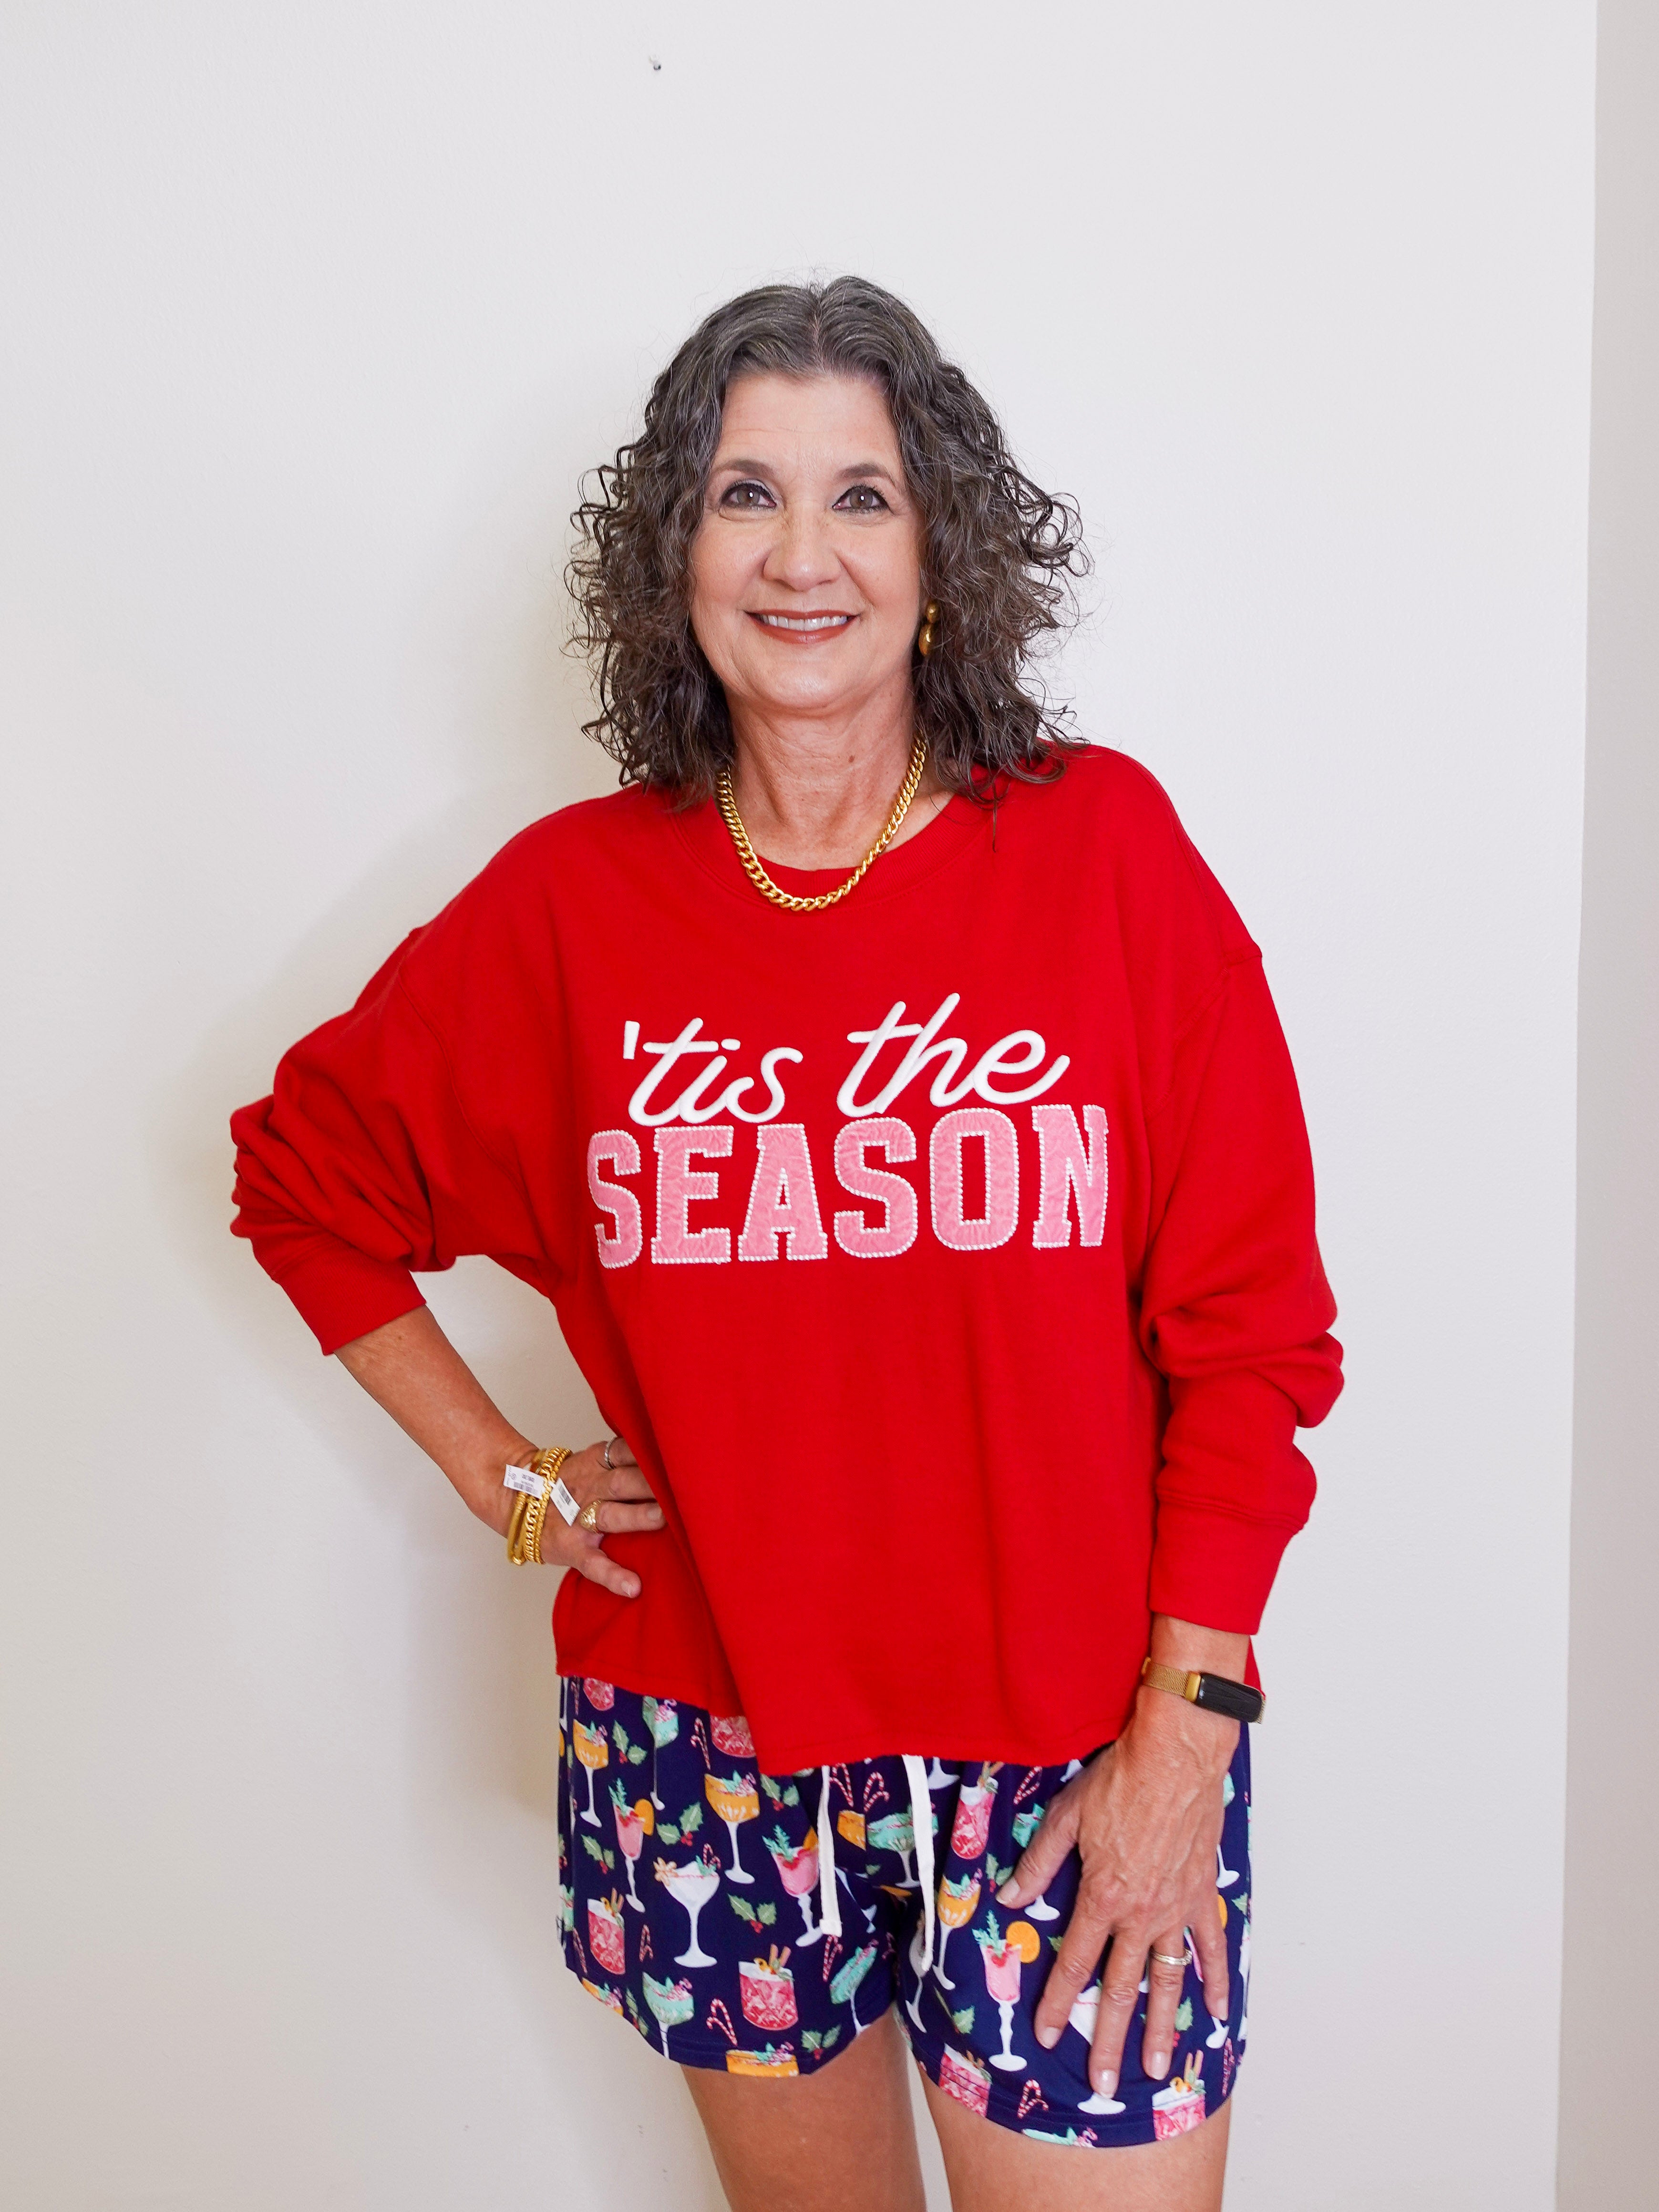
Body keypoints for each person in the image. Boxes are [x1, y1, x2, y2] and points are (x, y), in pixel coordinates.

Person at [230, 277, 1341, 2212]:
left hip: (1082, 1753)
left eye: (863, 496)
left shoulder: (1101, 855)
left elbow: (1251, 1340)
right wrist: (503, 1479)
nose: (802, 554)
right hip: (708, 1757)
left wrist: (1185, 1736)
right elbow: (300, 1176)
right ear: (678, 556)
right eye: (746, 494)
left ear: (942, 555)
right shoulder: (571, 910)